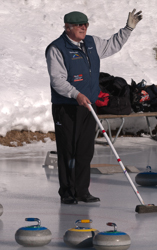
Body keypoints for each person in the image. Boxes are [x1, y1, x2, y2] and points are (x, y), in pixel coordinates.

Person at [45, 9, 142, 204]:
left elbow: (112, 45)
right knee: (68, 150)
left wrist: (128, 29)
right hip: (67, 106)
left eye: (85, 24)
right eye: (79, 25)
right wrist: (76, 94)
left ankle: (82, 191)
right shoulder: (57, 48)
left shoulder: (91, 43)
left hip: (88, 105)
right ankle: (68, 193)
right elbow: (57, 80)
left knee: (85, 150)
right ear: (67, 27)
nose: (83, 28)